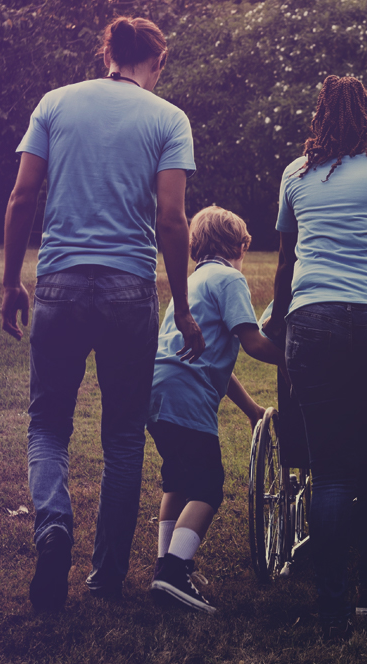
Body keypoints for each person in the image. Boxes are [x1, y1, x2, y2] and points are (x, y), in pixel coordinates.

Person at [1, 16, 205, 612]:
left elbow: (21, 196)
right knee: (121, 438)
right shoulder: (168, 118)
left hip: (60, 285)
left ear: (107, 53)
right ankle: (106, 577)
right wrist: (184, 307)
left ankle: (54, 525)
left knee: (47, 425)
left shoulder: (55, 104)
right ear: (158, 62)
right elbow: (171, 218)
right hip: (128, 290)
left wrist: (12, 280)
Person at [263, 75, 367, 638]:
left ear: (319, 117)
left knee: (329, 469)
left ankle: (331, 609)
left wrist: (283, 327)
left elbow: (285, 265)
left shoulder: (296, 174)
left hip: (315, 320)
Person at [148, 207, 283, 613]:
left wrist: (252, 410)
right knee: (208, 486)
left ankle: (166, 564)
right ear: (239, 245)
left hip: (158, 391)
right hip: (187, 397)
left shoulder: (192, 282)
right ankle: (173, 572)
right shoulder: (229, 278)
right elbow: (253, 342)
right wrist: (299, 358)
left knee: (178, 483)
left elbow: (217, 365)